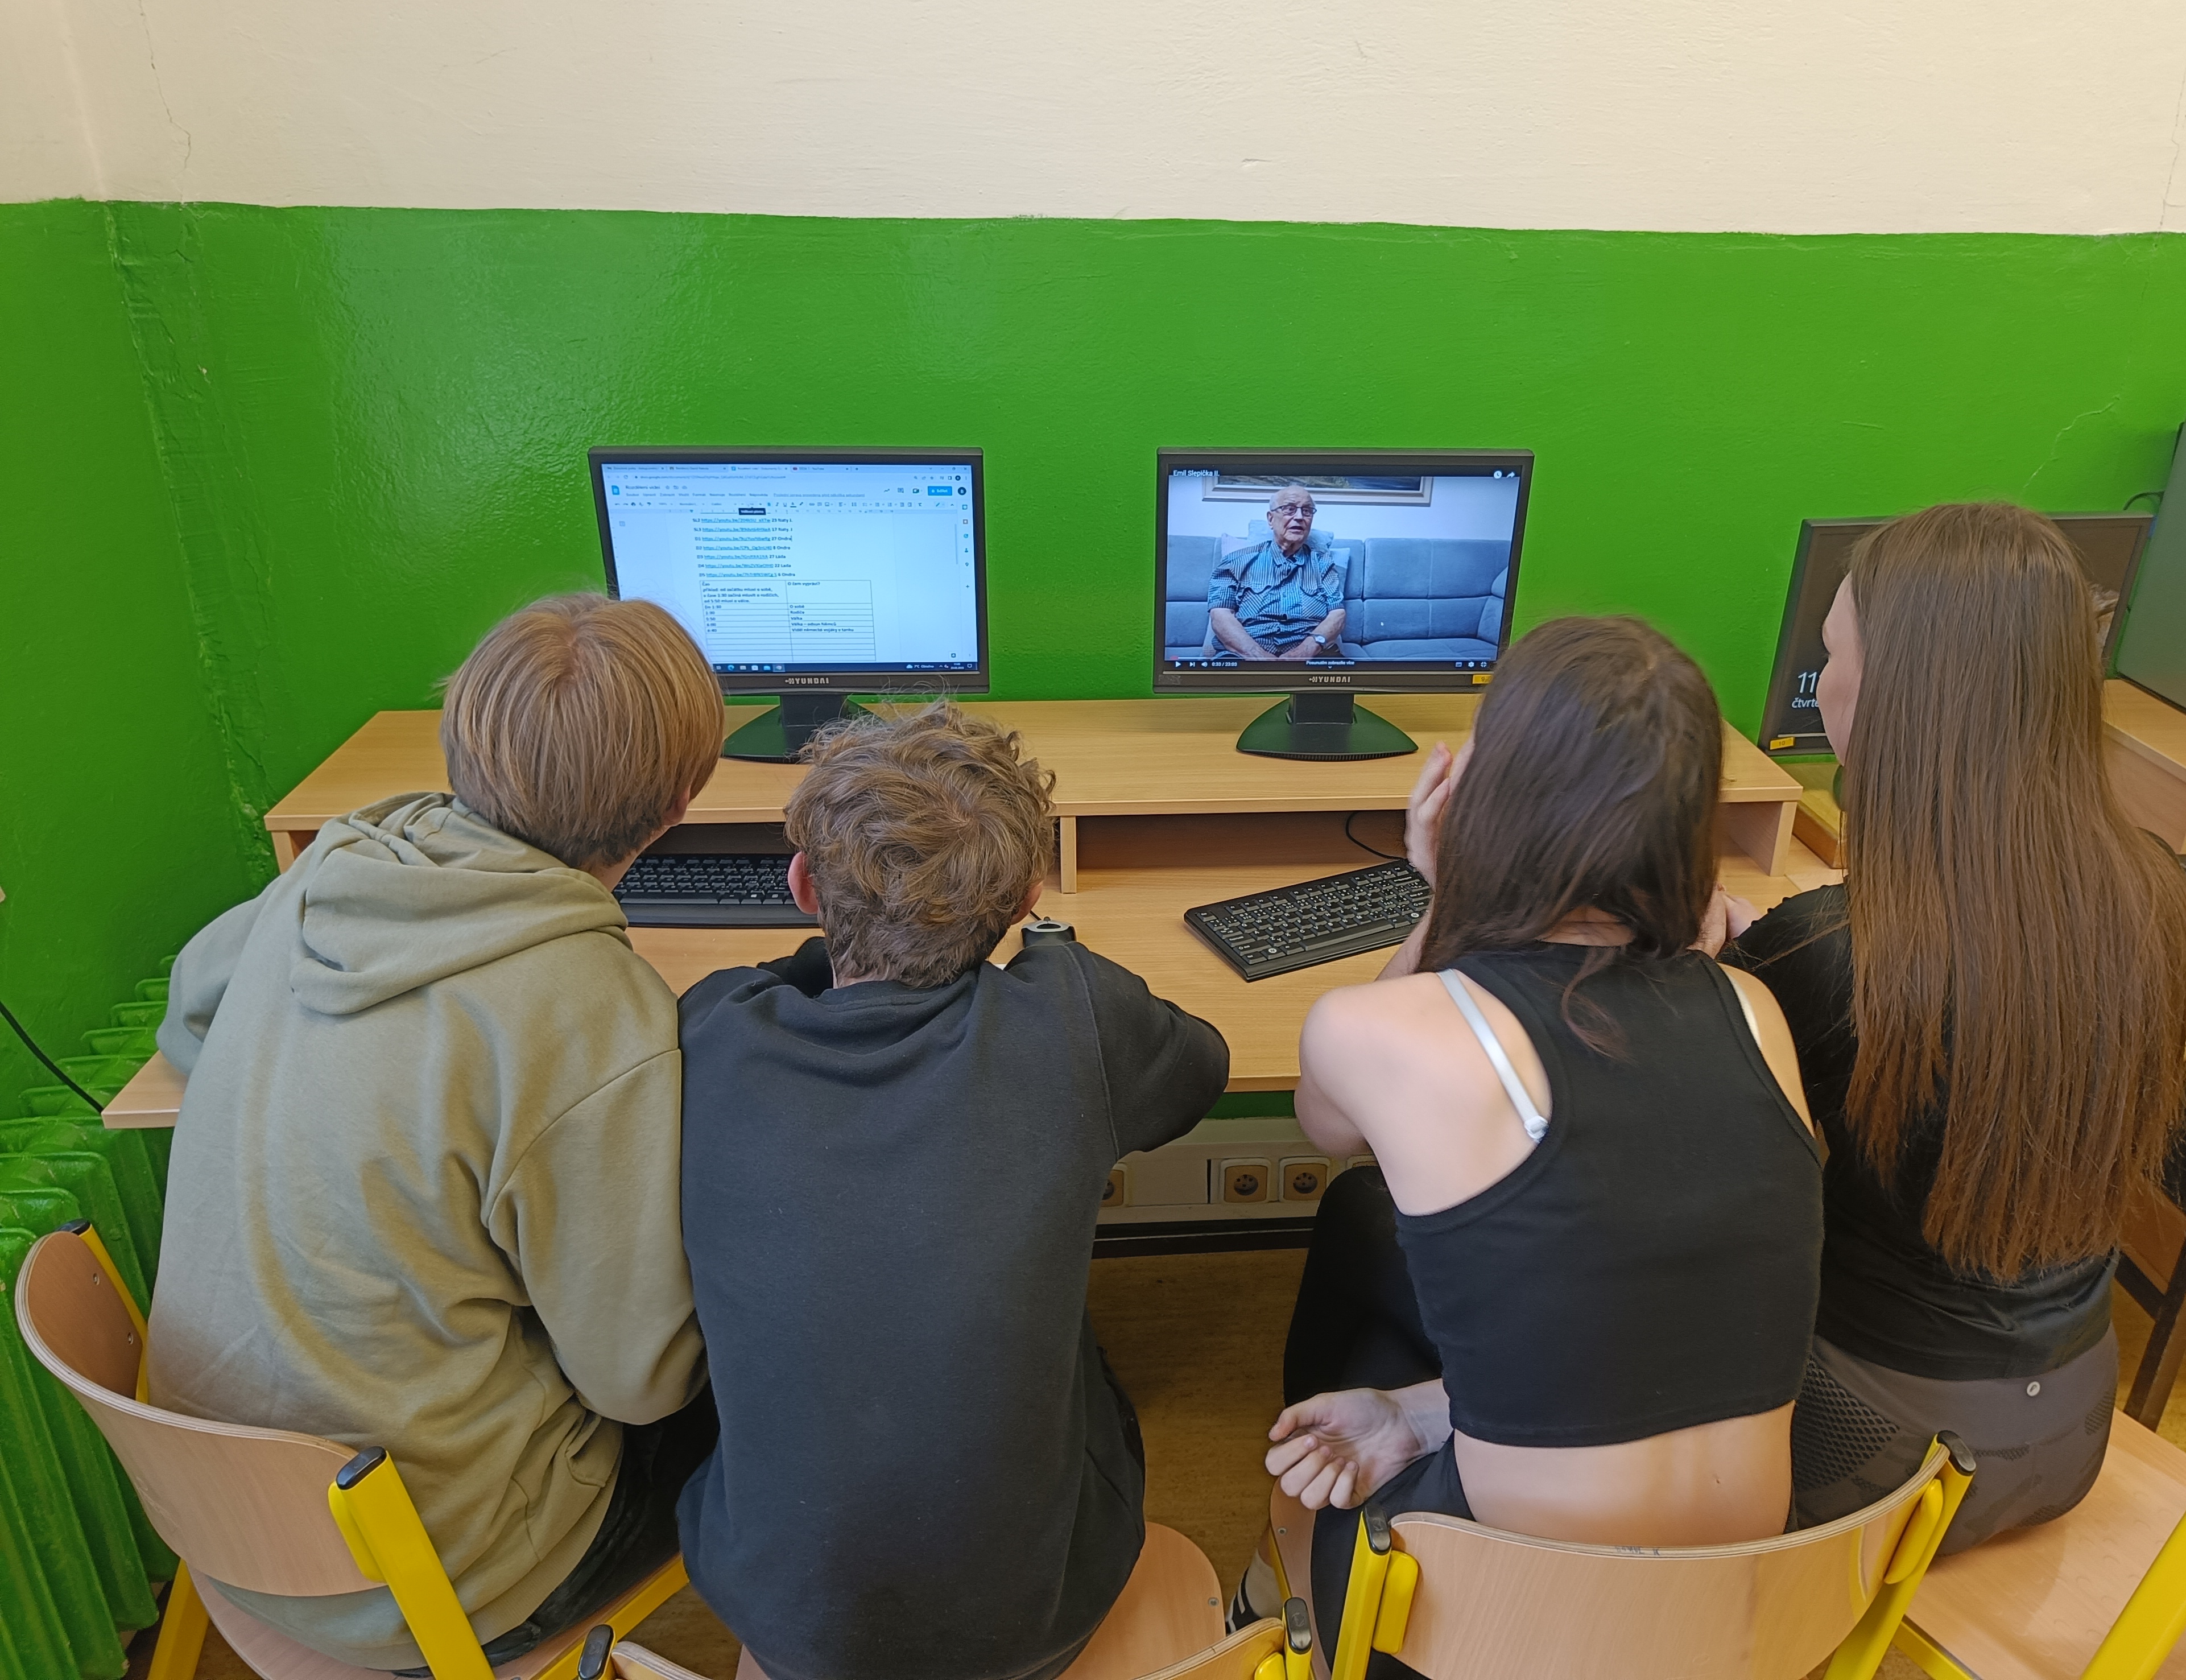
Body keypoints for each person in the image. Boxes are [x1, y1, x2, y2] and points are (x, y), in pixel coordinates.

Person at [148, 593, 722, 1669]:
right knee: (768, 1387)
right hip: (436, 1579)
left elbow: (187, 1014)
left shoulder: (339, 863)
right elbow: (638, 1383)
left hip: (216, 1517)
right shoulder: (593, 1015)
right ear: (678, 803)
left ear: (463, 736)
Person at [1241, 616, 1822, 1650]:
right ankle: (1406, 1431)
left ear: (1489, 799)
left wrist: (1442, 896)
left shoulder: (1372, 1031)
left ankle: (1280, 1571)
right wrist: (1417, 1415)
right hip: (1748, 1619)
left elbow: (1324, 1124)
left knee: (1362, 1273)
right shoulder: (1755, 1013)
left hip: (1498, 1633)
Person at [674, 702, 1230, 1680]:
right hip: (1037, 1622)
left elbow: (773, 980)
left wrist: (844, 945)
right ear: (1023, 898)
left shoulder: (714, 1028)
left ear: (802, 887)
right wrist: (1056, 954)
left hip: (790, 1624)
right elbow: (1202, 1067)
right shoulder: (1075, 1017)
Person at [1724, 502, 2186, 1552]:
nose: (1823, 680)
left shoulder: (1834, 951)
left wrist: (1719, 968)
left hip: (1880, 1461)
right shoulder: (2155, 896)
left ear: (1895, 693)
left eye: (1832, 653)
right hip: (2072, 1430)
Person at [1207, 485, 1348, 658]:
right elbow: (1220, 614)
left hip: (1312, 656)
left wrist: (1304, 652)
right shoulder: (1236, 561)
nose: (1299, 517)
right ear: (1271, 519)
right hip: (1244, 655)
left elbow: (1337, 614)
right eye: (1290, 509)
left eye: (1307, 511)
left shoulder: (1323, 563)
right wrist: (1257, 655)